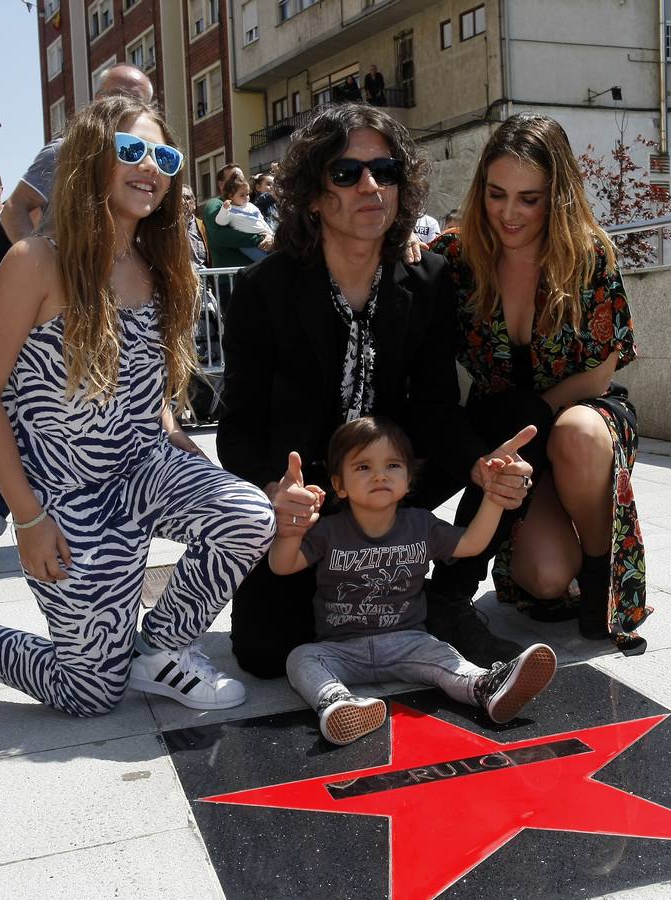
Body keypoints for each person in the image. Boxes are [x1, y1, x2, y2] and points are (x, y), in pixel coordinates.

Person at [0, 94, 275, 718]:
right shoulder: (37, 261)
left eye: (164, 155)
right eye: (132, 150)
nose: (151, 167)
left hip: (141, 469)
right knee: (90, 694)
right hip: (66, 494)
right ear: (92, 159)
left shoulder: (165, 265)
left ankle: (159, 650)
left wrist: (194, 462)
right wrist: (27, 520)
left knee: (247, 513)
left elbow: (145, 391)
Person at [218, 102, 533, 680]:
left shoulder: (426, 280)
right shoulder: (264, 288)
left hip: (392, 487)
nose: (371, 185)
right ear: (313, 195)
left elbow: (436, 408)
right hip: (308, 504)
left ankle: (444, 599)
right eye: (347, 173)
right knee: (265, 654)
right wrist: (274, 492)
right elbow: (237, 428)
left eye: (385, 171)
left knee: (514, 420)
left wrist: (482, 467)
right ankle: (384, 610)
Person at [431, 113, 649, 655]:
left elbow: (605, 364)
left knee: (572, 434)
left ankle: (602, 579)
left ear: (559, 196)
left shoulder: (588, 256)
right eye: (497, 193)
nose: (509, 213)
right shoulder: (456, 259)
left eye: (529, 198)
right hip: (509, 434)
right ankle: (550, 562)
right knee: (547, 580)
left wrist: (532, 414)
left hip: (584, 416)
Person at [0, 62, 156, 559]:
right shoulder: (59, 154)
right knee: (27, 410)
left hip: (107, 306)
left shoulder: (151, 187)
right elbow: (14, 208)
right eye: (116, 94)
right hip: (52, 306)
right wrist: (57, 261)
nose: (125, 106)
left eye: (139, 98)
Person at [272, 416, 556, 745]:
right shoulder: (329, 530)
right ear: (339, 485)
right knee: (300, 658)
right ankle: (336, 702)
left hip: (409, 642)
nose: (379, 474)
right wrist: (291, 531)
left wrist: (493, 498)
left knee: (445, 658)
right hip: (340, 649)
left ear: (408, 479)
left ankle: (485, 686)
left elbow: (472, 544)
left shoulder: (422, 525)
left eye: (392, 465)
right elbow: (283, 565)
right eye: (363, 467)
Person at [201, 162, 271, 269]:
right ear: (221, 184)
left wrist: (270, 237)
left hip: (255, 274)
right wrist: (259, 240)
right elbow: (219, 236)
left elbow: (261, 222)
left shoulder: (249, 206)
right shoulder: (215, 204)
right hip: (231, 278)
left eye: (241, 178)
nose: (239, 181)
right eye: (234, 178)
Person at [214, 175, 274, 261]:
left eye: (247, 194)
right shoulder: (230, 209)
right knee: (266, 263)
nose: (246, 197)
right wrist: (224, 209)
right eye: (242, 195)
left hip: (265, 238)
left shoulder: (252, 206)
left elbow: (262, 221)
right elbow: (220, 222)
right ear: (231, 196)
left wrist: (270, 235)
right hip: (248, 245)